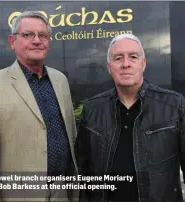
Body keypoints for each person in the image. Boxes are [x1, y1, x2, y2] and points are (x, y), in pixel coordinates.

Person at [0, 11, 78, 201]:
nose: (37, 40)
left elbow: (70, 137)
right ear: (12, 41)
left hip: (61, 194)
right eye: (27, 35)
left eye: (43, 35)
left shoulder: (60, 80)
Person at [75, 33, 185, 202]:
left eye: (133, 57)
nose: (125, 64)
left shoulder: (174, 105)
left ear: (143, 64)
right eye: (118, 58)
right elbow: (83, 172)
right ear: (109, 67)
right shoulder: (92, 110)